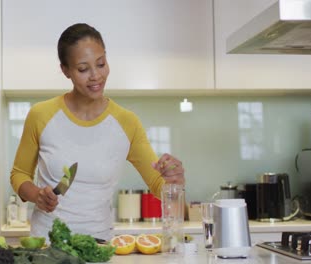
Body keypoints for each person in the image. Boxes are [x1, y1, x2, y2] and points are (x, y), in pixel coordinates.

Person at [10, 23, 185, 241]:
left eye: (101, 64)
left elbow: (159, 187)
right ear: (65, 70)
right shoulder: (41, 114)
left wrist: (174, 181)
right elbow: (19, 175)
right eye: (83, 69)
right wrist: (37, 195)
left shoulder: (126, 122)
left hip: (98, 245)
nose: (96, 76)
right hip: (48, 245)